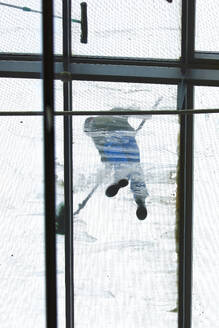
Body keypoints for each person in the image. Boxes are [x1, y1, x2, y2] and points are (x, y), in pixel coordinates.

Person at [84, 108, 151, 220]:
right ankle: (139, 196)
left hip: (115, 136)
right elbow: (130, 111)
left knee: (127, 164)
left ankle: (124, 182)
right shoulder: (111, 113)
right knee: (132, 165)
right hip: (126, 135)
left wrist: (106, 160)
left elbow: (101, 149)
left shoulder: (95, 129)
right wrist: (145, 115)